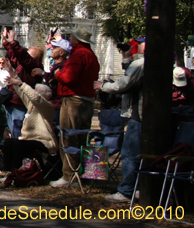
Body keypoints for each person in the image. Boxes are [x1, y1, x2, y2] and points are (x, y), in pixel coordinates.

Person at [94, 38, 144, 203]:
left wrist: (103, 86)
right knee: (140, 153)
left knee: (129, 154)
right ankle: (138, 188)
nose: (133, 47)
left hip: (136, 114)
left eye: (138, 44)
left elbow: (124, 83)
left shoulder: (140, 64)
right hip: (142, 115)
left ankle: (126, 191)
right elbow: (130, 73)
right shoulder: (144, 64)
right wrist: (126, 58)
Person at [50, 26, 100, 188]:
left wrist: (57, 74)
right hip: (88, 99)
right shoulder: (91, 55)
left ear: (77, 39)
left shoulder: (79, 55)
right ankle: (88, 174)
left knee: (69, 135)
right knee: (83, 137)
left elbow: (69, 78)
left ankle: (68, 175)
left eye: (72, 37)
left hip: (73, 99)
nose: (70, 39)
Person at [0, 74, 57, 175]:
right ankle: (8, 171)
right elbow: (22, 93)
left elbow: (35, 97)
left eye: (35, 91)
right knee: (8, 142)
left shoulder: (48, 107)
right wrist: (12, 73)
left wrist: (21, 84)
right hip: (29, 139)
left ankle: (16, 171)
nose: (31, 94)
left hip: (44, 141)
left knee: (19, 144)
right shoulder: (32, 106)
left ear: (41, 95)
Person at [1, 28, 44, 139]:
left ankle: (20, 153)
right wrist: (6, 43)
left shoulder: (34, 66)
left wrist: (13, 43)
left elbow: (23, 57)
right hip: (12, 101)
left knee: (18, 131)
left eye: (29, 54)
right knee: (13, 129)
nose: (25, 54)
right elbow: (14, 56)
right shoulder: (23, 65)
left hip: (19, 103)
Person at [43, 37, 71, 123]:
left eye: (55, 48)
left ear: (62, 53)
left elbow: (56, 84)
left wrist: (43, 74)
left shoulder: (64, 67)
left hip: (58, 106)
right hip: (53, 104)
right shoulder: (56, 65)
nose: (52, 48)